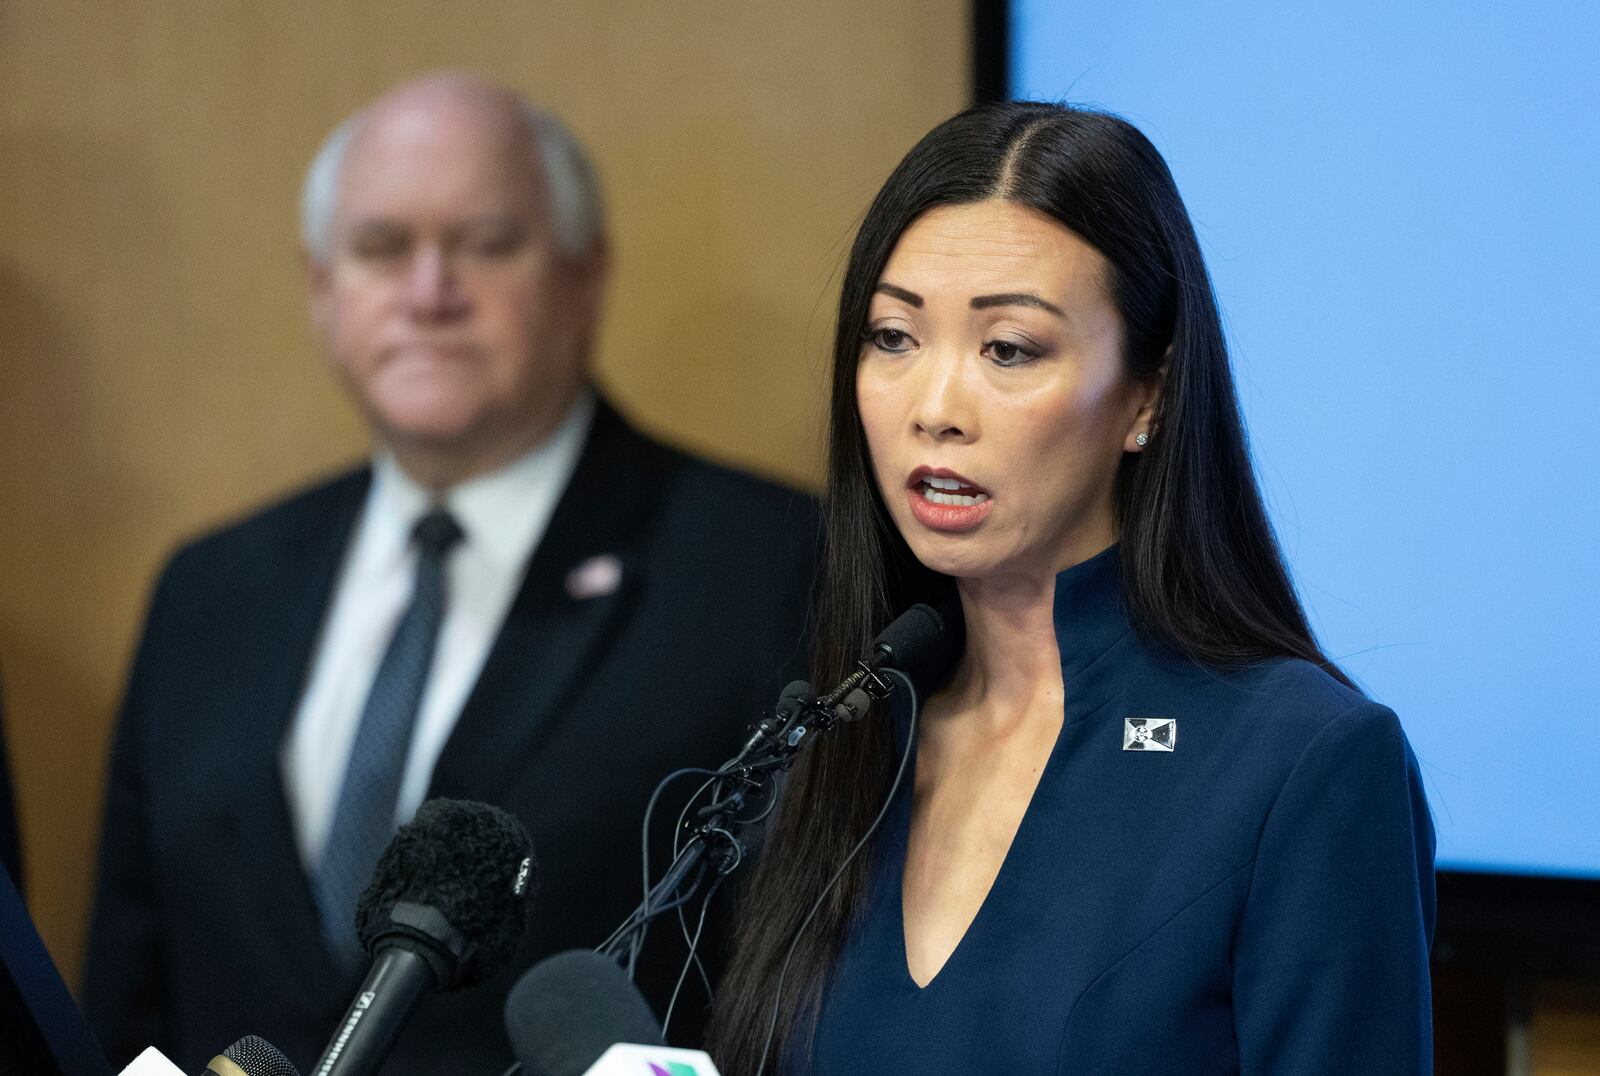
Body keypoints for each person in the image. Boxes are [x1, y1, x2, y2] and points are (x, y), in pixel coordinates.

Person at [83, 73, 817, 1075]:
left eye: (484, 242)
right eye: (382, 248)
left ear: (583, 272)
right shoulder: (211, 590)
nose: (429, 292)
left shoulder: (764, 568)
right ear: (321, 287)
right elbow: (129, 998)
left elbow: (796, 986)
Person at [709, 101, 1434, 1074]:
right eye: (893, 337)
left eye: (1007, 348)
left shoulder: (1304, 763)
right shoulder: (836, 747)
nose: (935, 407)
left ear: (1150, 392)